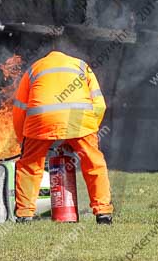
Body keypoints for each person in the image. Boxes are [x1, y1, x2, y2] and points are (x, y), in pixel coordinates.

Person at [12, 45, 113, 224]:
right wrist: (90, 129)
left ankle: (24, 214)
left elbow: (19, 109)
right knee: (94, 164)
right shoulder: (81, 66)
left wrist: (23, 140)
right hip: (79, 118)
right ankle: (103, 213)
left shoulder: (34, 69)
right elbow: (100, 105)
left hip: (40, 119)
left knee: (29, 166)